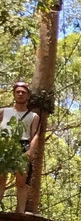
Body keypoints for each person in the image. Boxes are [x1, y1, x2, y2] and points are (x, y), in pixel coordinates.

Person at [0, 81, 40, 212]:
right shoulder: (3, 111)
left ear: (28, 95)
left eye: (23, 92)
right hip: (4, 144)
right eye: (18, 92)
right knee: (1, 178)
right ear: (14, 94)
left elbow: (35, 135)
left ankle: (20, 212)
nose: (20, 94)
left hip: (22, 145)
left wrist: (30, 152)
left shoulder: (34, 116)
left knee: (21, 182)